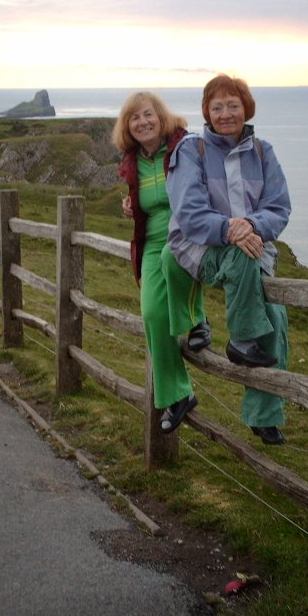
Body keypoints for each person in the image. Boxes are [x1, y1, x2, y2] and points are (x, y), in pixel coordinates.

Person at [166, 74, 292, 445]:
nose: (225, 113)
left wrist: (249, 225)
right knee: (241, 260)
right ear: (206, 112)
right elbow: (188, 212)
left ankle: (263, 416)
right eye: (217, 107)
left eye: (232, 105)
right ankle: (239, 340)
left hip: (253, 248)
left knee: (276, 320)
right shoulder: (192, 151)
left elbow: (280, 208)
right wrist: (230, 230)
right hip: (199, 248)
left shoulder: (263, 152)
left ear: (246, 108)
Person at [115, 91, 211, 435]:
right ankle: (178, 394)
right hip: (152, 242)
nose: (143, 122)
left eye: (148, 114)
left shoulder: (184, 147)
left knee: (175, 256)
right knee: (153, 315)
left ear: (161, 116)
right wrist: (131, 207)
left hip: (185, 234)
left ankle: (198, 319)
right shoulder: (133, 160)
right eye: (135, 118)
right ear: (128, 126)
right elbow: (144, 201)